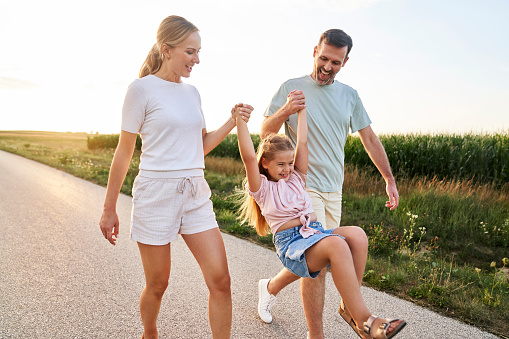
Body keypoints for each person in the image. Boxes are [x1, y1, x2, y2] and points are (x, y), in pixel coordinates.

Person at [98, 15, 253, 339]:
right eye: (190, 52)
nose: (197, 59)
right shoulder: (141, 90)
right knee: (158, 283)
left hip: (195, 192)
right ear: (166, 50)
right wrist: (109, 207)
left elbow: (200, 146)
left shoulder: (192, 92)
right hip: (156, 193)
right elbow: (125, 151)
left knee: (221, 281)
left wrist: (231, 120)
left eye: (198, 52)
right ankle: (150, 332)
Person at [259, 29, 400, 338]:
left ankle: (269, 287)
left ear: (344, 62)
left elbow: (369, 138)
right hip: (302, 186)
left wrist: (389, 179)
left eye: (335, 62)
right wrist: (287, 109)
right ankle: (317, 334)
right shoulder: (292, 87)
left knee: (319, 259)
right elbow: (265, 133)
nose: (327, 66)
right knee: (320, 264)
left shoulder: (350, 96)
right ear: (314, 51)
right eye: (323, 58)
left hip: (333, 190)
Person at [235, 107, 406, 339]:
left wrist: (302, 111)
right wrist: (240, 121)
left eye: (289, 163)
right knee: (336, 244)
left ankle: (349, 306)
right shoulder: (262, 189)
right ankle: (365, 321)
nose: (287, 169)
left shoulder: (296, 177)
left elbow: (303, 143)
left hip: (312, 233)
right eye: (280, 165)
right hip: (292, 245)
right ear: (265, 163)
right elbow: (247, 156)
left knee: (357, 235)